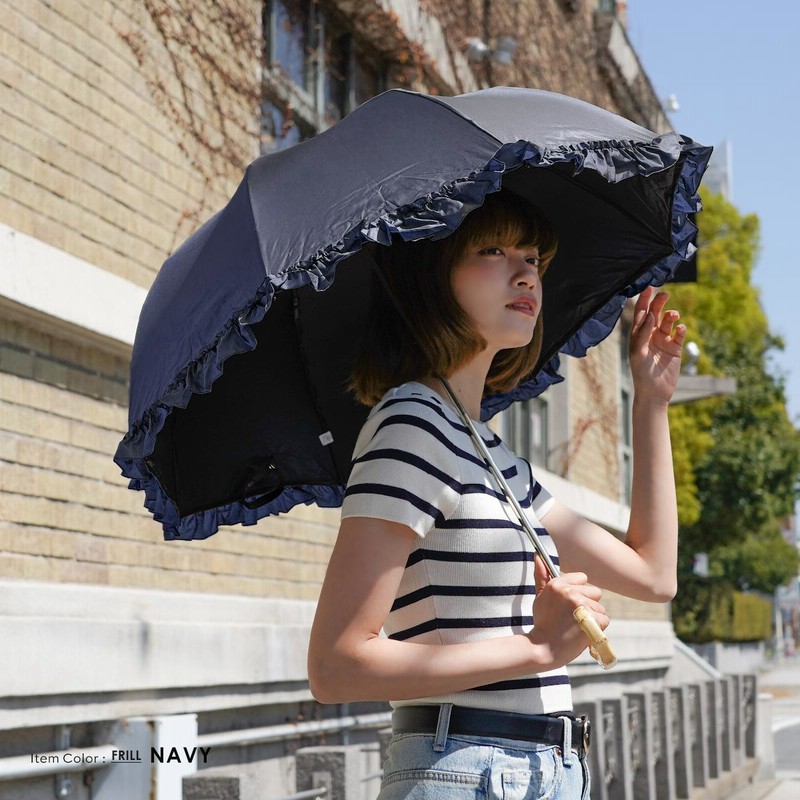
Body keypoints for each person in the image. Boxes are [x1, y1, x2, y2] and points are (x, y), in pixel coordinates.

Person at [307, 189, 684, 800]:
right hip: (466, 767)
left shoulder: (492, 453)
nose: (525, 272)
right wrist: (535, 648)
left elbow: (655, 574)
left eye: (533, 257)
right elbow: (335, 665)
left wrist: (651, 402)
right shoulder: (413, 421)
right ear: (433, 275)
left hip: (545, 768)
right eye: (492, 249)